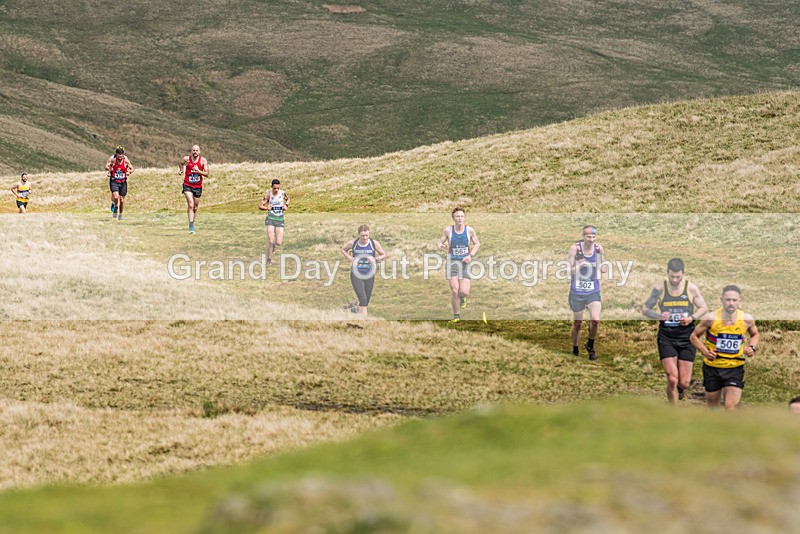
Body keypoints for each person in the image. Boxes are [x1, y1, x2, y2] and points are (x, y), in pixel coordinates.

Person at [641, 258, 708, 404]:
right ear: (667, 273)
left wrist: (692, 317)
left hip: (686, 338)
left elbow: (704, 307)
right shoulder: (659, 289)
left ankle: (680, 389)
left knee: (683, 382)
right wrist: (659, 316)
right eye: (672, 276)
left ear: (683, 273)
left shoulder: (691, 288)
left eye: (678, 277)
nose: (675, 279)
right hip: (667, 337)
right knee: (672, 378)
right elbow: (645, 309)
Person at [690, 285, 760, 411]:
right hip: (712, 367)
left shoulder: (746, 319)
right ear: (721, 299)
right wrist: (705, 352)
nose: (731, 303)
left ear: (739, 301)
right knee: (712, 408)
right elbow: (694, 337)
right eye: (727, 300)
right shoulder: (710, 318)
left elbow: (755, 334)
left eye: (734, 300)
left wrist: (752, 347)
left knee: (730, 407)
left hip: (735, 367)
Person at [568, 225, 606, 360]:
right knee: (578, 324)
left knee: (595, 320)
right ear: (583, 236)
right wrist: (579, 266)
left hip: (593, 290)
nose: (591, 239)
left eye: (594, 237)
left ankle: (590, 345)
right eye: (589, 237)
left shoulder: (598, 249)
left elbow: (602, 264)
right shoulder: (575, 249)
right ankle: (575, 349)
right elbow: (569, 271)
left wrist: (603, 267)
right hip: (577, 291)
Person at [437, 207, 480, 322]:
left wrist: (470, 256)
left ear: (464, 218)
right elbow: (440, 242)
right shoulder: (448, 231)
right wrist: (440, 245)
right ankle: (456, 316)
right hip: (452, 263)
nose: (460, 218)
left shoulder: (469, 230)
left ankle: (463, 298)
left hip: (465, 263)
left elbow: (477, 244)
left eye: (462, 216)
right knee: (455, 290)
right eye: (457, 216)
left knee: (464, 291)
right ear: (453, 218)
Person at [341, 225, 387, 316]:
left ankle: (351, 311)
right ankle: (364, 322)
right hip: (356, 274)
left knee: (365, 301)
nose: (365, 238)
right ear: (358, 235)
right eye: (362, 236)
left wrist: (375, 259)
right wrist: (350, 258)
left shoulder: (374, 244)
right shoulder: (353, 243)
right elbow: (343, 250)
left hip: (369, 274)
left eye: (367, 235)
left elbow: (384, 255)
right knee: (363, 299)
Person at [179, 145, 209, 234]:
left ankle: (192, 223)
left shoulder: (203, 161)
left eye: (197, 150)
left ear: (199, 151)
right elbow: (180, 163)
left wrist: (198, 171)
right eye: (193, 150)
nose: (195, 152)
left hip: (198, 186)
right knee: (191, 205)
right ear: (191, 151)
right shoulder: (186, 159)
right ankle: (191, 227)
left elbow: (207, 173)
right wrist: (181, 170)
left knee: (195, 208)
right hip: (187, 185)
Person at [258, 179, 289, 264]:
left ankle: (274, 246)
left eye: (278, 188)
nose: (276, 190)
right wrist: (266, 208)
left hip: (280, 219)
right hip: (270, 218)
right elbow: (260, 206)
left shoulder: (282, 193)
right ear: (271, 187)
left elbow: (288, 199)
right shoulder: (268, 195)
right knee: (270, 240)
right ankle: (269, 259)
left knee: (279, 242)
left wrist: (286, 205)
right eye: (274, 188)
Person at [105, 146, 133, 220]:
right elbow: (107, 167)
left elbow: (131, 168)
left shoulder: (126, 160)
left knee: (122, 200)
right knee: (116, 197)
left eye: (121, 156)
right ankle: (116, 207)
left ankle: (120, 215)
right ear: (116, 154)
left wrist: (128, 172)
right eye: (119, 156)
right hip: (114, 180)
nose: (120, 158)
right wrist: (109, 171)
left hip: (123, 182)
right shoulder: (113, 159)